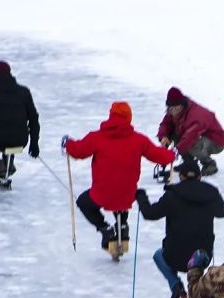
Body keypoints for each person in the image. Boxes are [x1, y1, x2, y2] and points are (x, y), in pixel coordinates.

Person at [62, 102, 174, 251]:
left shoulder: (97, 137)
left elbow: (78, 151)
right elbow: (160, 156)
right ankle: (122, 225)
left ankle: (105, 229)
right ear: (129, 118)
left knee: (84, 202)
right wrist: (171, 154)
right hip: (127, 194)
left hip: (101, 194)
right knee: (121, 192)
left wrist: (68, 143)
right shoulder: (139, 140)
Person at [136, 155, 224, 298]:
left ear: (180, 176)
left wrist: (141, 197)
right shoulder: (211, 193)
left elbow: (149, 214)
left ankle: (177, 289)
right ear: (200, 176)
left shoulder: (172, 195)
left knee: (159, 256)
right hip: (202, 257)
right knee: (196, 257)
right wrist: (213, 198)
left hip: (175, 256)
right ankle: (196, 288)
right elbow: (222, 212)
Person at [157, 87, 224, 176]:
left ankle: (209, 164)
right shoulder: (173, 111)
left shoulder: (195, 115)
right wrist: (164, 137)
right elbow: (165, 124)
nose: (173, 111)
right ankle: (188, 163)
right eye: (171, 108)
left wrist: (174, 152)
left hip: (216, 141)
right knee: (174, 134)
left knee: (190, 143)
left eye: (176, 108)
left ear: (182, 105)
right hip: (196, 137)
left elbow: (190, 137)